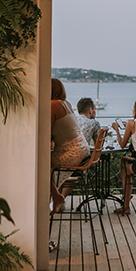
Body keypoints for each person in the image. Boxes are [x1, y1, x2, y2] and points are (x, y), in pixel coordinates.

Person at [50, 79, 91, 214]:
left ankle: (54, 198)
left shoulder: (52, 105)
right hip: (82, 150)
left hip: (71, 153)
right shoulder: (65, 103)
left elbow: (46, 132)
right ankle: (55, 197)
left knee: (39, 165)